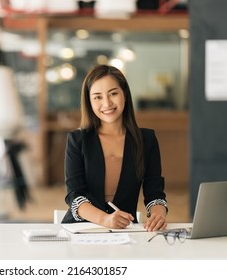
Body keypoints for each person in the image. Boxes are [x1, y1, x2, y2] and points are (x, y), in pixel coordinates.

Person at [62, 64, 168, 231]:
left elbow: (155, 193)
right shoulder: (77, 140)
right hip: (82, 230)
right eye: (97, 97)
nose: (107, 103)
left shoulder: (147, 140)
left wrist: (158, 215)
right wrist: (105, 219)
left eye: (113, 93)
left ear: (124, 94)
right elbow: (75, 195)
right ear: (89, 102)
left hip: (125, 231)